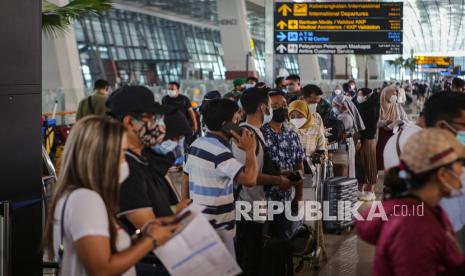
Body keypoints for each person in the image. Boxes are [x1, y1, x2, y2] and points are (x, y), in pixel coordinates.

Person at [43, 116, 178, 276]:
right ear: (99, 154)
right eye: (121, 152)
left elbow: (103, 247)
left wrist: (141, 236)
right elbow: (101, 270)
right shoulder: (85, 200)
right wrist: (151, 241)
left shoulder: (82, 195)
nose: (125, 161)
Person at [356, 128, 465, 275]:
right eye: (461, 165)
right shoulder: (415, 228)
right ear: (442, 174)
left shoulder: (429, 211)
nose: (462, 171)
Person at [107, 86, 189, 275]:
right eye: (151, 118)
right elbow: (149, 229)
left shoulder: (140, 162)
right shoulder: (124, 169)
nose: (158, 125)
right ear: (129, 122)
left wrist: (178, 212)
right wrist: (179, 220)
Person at [182, 98, 258, 255]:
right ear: (226, 124)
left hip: (199, 222)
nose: (239, 120)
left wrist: (186, 208)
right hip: (219, 229)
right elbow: (250, 179)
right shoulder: (220, 153)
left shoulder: (198, 143)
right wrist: (250, 150)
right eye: (236, 116)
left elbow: (185, 176)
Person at [233, 88, 293, 276]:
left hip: (257, 205)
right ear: (262, 107)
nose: (271, 110)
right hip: (247, 207)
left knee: (257, 257)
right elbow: (247, 176)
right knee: (250, 261)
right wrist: (278, 180)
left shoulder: (255, 133)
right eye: (269, 105)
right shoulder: (246, 136)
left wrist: (280, 173)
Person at [261, 90, 305, 239]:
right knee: (265, 242)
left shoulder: (292, 134)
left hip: (287, 199)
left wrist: (298, 196)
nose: (282, 108)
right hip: (263, 201)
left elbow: (299, 165)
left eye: (284, 105)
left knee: (285, 241)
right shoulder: (259, 134)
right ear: (266, 109)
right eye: (276, 105)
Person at [162, 81, 198, 164]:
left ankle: (181, 164)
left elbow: (191, 112)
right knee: (171, 146)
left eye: (172, 89)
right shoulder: (165, 99)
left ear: (178, 89)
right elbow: (163, 112)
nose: (170, 90)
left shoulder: (184, 99)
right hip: (169, 126)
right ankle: (175, 162)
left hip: (182, 126)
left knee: (180, 145)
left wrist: (195, 124)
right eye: (169, 89)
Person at [354, 88, 380, 201]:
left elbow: (370, 126)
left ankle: (370, 190)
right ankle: (360, 189)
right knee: (360, 164)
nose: (358, 96)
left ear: (367, 96)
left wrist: (360, 137)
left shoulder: (373, 108)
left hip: (368, 139)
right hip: (360, 138)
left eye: (360, 94)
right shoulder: (359, 106)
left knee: (370, 165)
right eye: (358, 94)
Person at [332, 94, 365, 178]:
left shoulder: (344, 117)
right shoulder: (344, 115)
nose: (333, 108)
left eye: (334, 105)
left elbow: (338, 132)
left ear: (341, 105)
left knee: (344, 167)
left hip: (344, 145)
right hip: (347, 144)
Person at [376, 85, 408, 171]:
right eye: (393, 94)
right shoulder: (379, 107)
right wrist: (386, 122)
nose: (395, 96)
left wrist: (401, 122)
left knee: (393, 156)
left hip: (395, 135)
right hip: (383, 136)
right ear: (386, 95)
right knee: (381, 156)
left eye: (396, 94)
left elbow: (405, 119)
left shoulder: (397, 106)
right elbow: (376, 123)